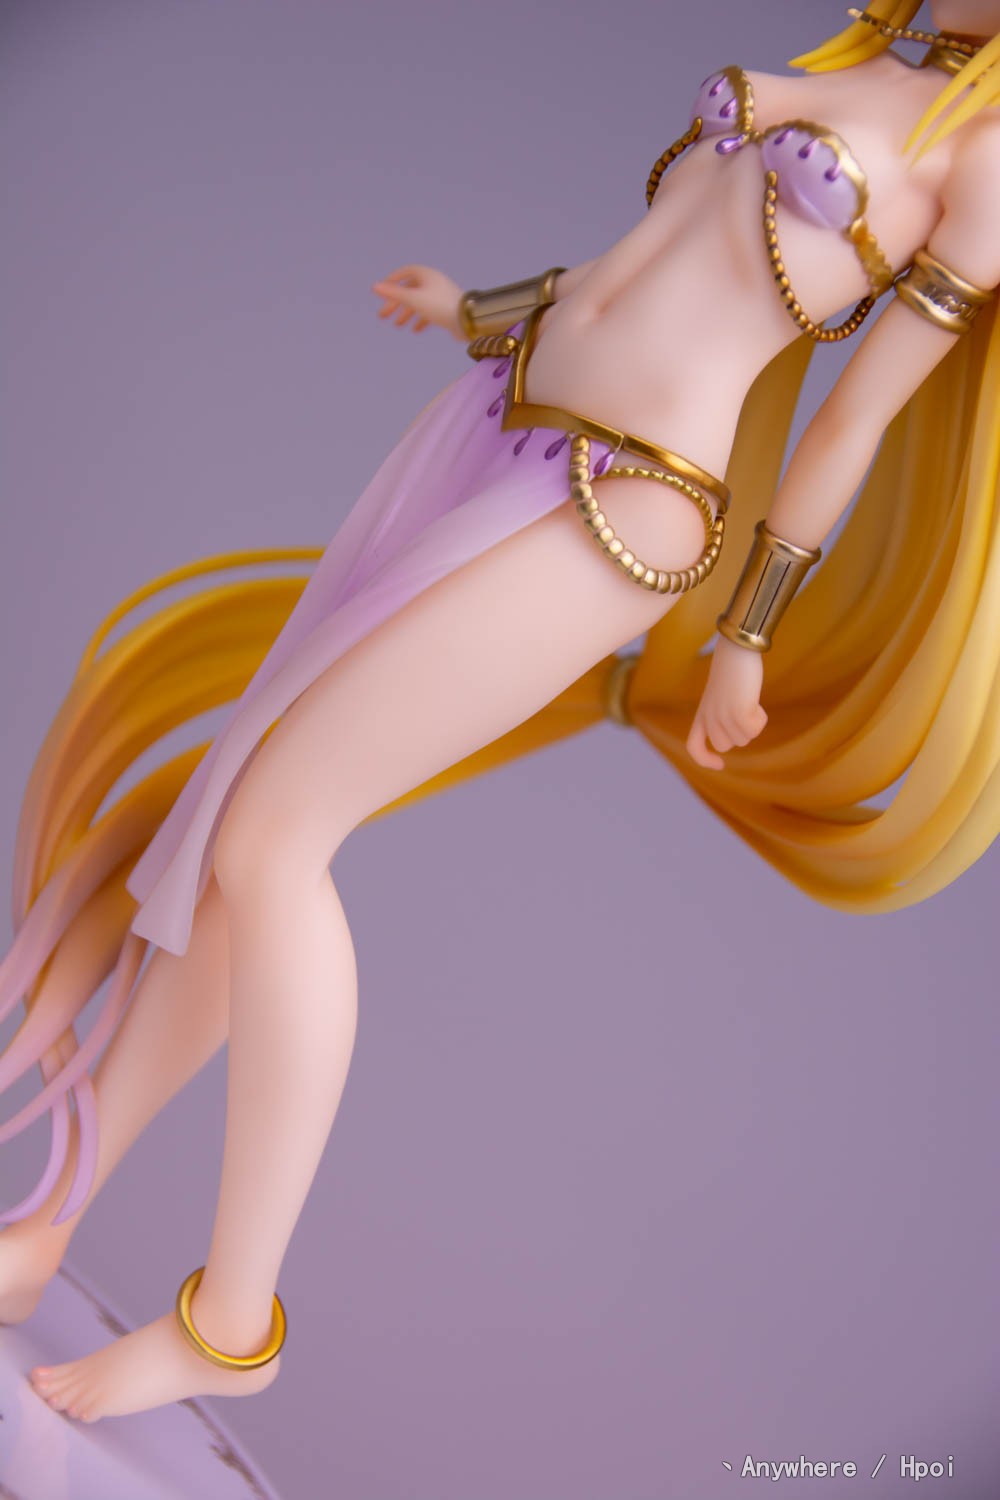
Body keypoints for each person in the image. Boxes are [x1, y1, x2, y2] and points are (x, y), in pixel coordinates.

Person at [2, 0, 998, 1423]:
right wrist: (473, 308)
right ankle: (46, 1232)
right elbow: (642, 260)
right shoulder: (869, 67)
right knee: (232, 826)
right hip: (497, 418)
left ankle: (230, 1326)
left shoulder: (986, 162)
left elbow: (853, 420)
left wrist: (748, 634)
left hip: (625, 501)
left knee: (275, 841)